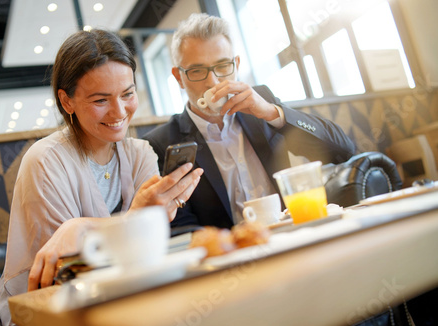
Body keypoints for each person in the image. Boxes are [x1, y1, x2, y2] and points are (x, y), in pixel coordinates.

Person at [0, 29, 203, 326]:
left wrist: (83, 227)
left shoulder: (140, 153)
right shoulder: (46, 161)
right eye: (101, 99)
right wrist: (136, 218)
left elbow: (147, 251)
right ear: (67, 101)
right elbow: (70, 273)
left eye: (127, 94)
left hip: (122, 303)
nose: (119, 112)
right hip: (46, 318)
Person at [142, 13, 356, 229]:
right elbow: (180, 226)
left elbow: (342, 151)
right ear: (179, 77)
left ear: (236, 64)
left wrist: (272, 114)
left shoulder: (262, 104)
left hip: (293, 238)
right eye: (197, 70)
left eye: (223, 66)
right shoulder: (161, 143)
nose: (212, 81)